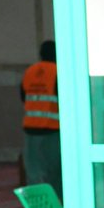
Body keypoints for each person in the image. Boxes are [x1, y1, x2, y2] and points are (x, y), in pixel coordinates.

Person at [20, 39, 61, 199]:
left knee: (34, 172)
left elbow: (24, 97)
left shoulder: (30, 71)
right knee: (55, 173)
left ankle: (37, 205)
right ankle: (57, 206)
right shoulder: (58, 72)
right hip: (52, 130)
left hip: (31, 130)